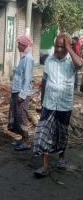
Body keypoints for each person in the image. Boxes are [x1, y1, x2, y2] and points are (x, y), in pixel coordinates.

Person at [33, 33, 83, 178]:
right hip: (49, 104)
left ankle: (61, 159)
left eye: (62, 46)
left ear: (68, 47)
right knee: (44, 133)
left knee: (62, 134)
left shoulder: (71, 62)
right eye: (57, 46)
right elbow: (45, 81)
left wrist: (69, 46)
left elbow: (80, 64)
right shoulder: (49, 60)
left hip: (64, 105)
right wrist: (42, 102)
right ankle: (45, 166)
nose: (59, 49)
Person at [8, 35, 34, 151]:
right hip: (16, 90)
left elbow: (27, 78)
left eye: (19, 44)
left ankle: (27, 141)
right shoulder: (24, 57)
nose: (17, 46)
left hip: (22, 92)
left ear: (23, 45)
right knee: (17, 116)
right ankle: (23, 138)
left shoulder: (28, 59)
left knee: (22, 116)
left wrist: (22, 94)